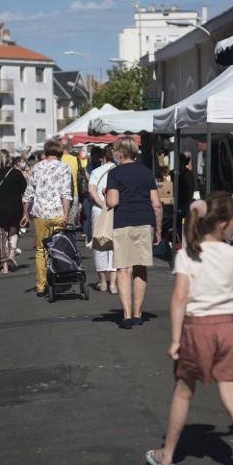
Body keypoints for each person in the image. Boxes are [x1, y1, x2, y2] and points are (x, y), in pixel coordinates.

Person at [146, 192, 233, 465]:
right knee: (232, 394)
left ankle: (167, 454)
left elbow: (179, 298)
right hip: (230, 326)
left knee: (183, 393)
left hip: (198, 328)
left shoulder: (188, 253)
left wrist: (175, 339)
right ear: (225, 223)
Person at [106, 137, 163, 329]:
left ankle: (127, 315)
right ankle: (138, 313)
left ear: (119, 152)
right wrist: (159, 229)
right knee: (140, 267)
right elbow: (157, 204)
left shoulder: (114, 173)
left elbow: (112, 201)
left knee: (124, 268)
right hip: (144, 222)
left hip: (122, 222)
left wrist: (107, 196)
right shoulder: (147, 172)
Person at [20, 139, 72, 297]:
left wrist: (24, 213)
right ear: (60, 152)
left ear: (46, 151)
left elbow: (28, 193)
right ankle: (60, 280)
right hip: (57, 213)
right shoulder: (64, 167)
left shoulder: (36, 167)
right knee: (58, 248)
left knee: (41, 249)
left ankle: (41, 285)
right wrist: (66, 214)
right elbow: (66, 194)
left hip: (40, 214)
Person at [0, 150, 26, 274]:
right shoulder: (17, 173)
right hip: (15, 207)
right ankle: (12, 254)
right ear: (9, 159)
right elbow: (25, 190)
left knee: (1, 236)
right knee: (14, 231)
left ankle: (4, 266)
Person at [88, 145, 117, 293]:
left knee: (99, 244)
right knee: (114, 246)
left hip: (99, 210)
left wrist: (102, 204)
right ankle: (113, 283)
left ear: (103, 158)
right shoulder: (119, 171)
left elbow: (91, 190)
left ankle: (103, 282)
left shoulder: (96, 171)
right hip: (117, 211)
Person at [60, 139, 81, 227]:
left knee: (59, 224)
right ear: (69, 148)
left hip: (60, 195)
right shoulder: (75, 159)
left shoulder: (58, 160)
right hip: (74, 193)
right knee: (70, 224)